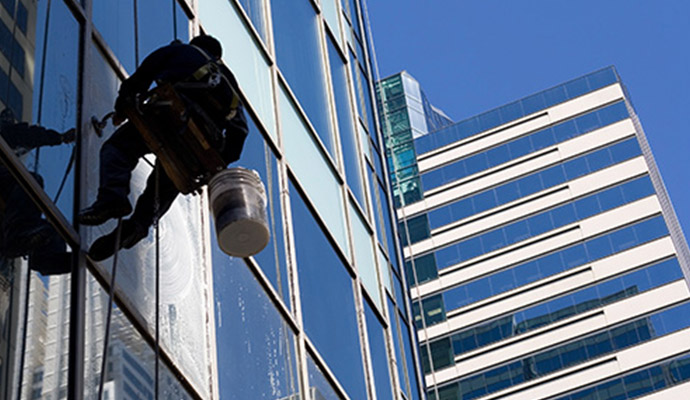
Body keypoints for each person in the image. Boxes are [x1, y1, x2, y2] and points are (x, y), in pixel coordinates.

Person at [78, 35, 249, 261]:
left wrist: (122, 106)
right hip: (197, 150)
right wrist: (216, 163)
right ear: (218, 57)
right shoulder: (230, 86)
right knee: (165, 185)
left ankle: (112, 198)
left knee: (119, 148)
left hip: (167, 115)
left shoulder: (184, 52)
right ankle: (139, 226)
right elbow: (240, 133)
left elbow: (144, 74)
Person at [0, 108, 75, 275]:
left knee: (44, 229)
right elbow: (26, 134)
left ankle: (46, 254)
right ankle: (37, 250)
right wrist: (59, 138)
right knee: (31, 182)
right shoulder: (4, 133)